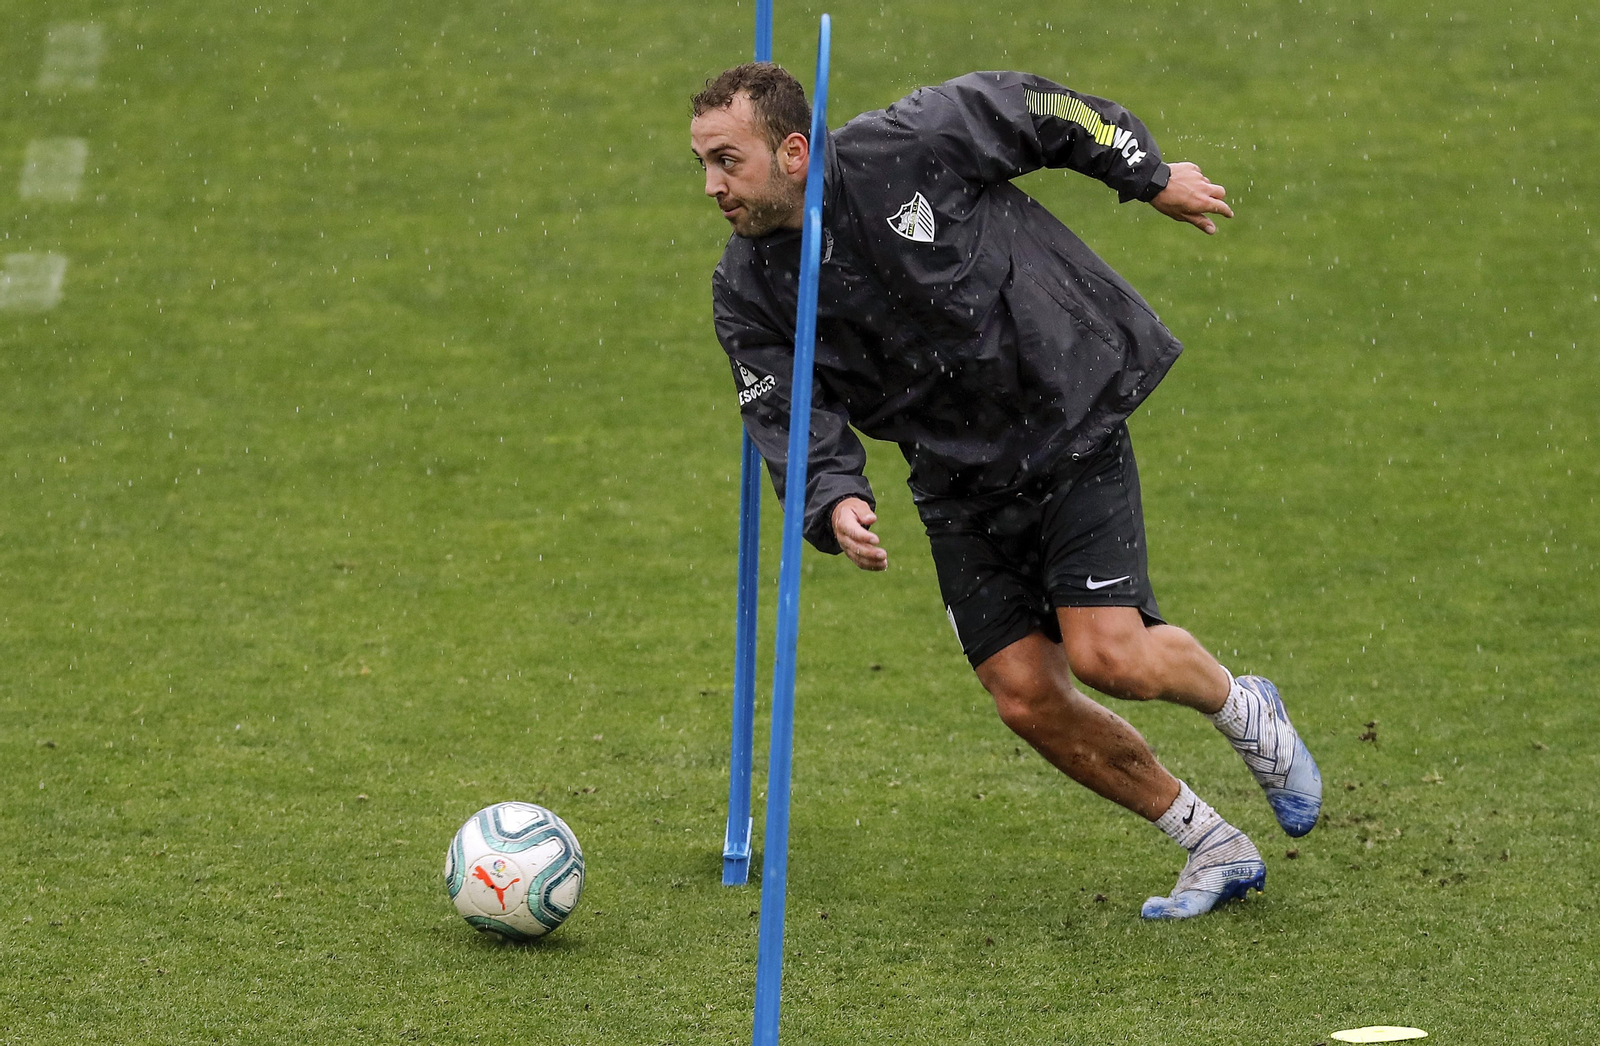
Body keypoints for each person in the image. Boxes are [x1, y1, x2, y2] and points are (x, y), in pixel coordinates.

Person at [689, 63, 1322, 919]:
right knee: (1024, 695)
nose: (711, 186)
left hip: (1065, 412)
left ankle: (1244, 707)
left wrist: (1149, 177)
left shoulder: (911, 143)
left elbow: (1042, 110)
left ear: (793, 151)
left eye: (727, 161)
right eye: (702, 164)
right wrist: (833, 497)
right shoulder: (746, 288)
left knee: (1110, 658)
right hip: (954, 476)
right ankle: (1211, 843)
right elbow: (786, 412)